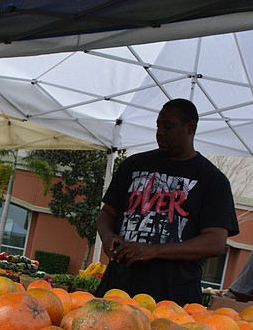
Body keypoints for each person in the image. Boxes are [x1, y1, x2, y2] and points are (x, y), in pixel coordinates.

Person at [95, 98, 239, 305]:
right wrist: (108, 236)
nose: (160, 132)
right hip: (117, 290)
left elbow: (215, 242)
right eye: (158, 125)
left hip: (173, 301)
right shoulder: (133, 165)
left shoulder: (212, 180)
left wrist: (151, 251)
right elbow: (106, 213)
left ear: (190, 128)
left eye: (168, 126)